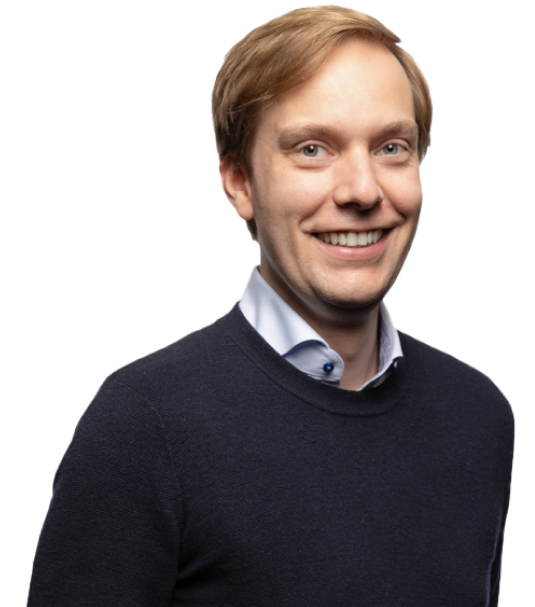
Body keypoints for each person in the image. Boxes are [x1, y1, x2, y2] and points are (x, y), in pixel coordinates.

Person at [27, 6, 515, 606]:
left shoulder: (479, 417)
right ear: (239, 182)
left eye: (391, 147)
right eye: (312, 149)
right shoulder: (146, 423)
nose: (362, 190)